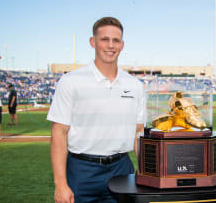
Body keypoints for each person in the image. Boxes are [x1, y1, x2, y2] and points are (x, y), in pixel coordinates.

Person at [47, 17, 145, 203]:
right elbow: (59, 133)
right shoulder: (71, 81)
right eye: (104, 39)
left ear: (122, 45)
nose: (110, 45)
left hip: (121, 169)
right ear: (93, 42)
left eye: (116, 40)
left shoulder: (135, 86)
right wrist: (60, 185)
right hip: (82, 171)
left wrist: (147, 171)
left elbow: (138, 133)